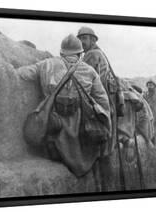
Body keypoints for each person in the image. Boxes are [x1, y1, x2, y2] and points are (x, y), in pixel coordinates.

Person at [16, 34, 111, 191]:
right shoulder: (90, 71)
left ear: (61, 53)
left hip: (52, 124)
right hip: (79, 130)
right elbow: (103, 102)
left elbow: (23, 73)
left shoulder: (46, 64)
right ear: (80, 54)